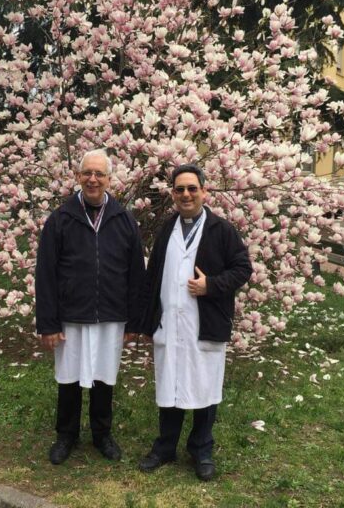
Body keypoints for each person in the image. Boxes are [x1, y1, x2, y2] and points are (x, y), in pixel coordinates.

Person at [138, 163, 252, 481]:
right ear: (173, 194)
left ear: (204, 191)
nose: (186, 194)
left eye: (192, 188)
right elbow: (152, 277)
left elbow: (243, 268)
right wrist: (148, 323)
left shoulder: (221, 230)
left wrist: (210, 285)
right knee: (171, 385)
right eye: (179, 189)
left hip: (205, 325)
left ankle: (202, 450)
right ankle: (165, 447)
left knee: (204, 387)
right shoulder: (166, 229)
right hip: (169, 325)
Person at [35, 149, 145, 465]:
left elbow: (136, 273)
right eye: (87, 173)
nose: (93, 179)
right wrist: (48, 323)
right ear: (78, 177)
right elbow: (45, 273)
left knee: (103, 377)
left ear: (110, 179)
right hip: (70, 314)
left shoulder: (124, 220)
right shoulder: (60, 219)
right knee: (69, 378)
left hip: (111, 314)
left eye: (99, 174)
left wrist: (135, 322)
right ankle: (66, 435)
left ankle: (102, 434)